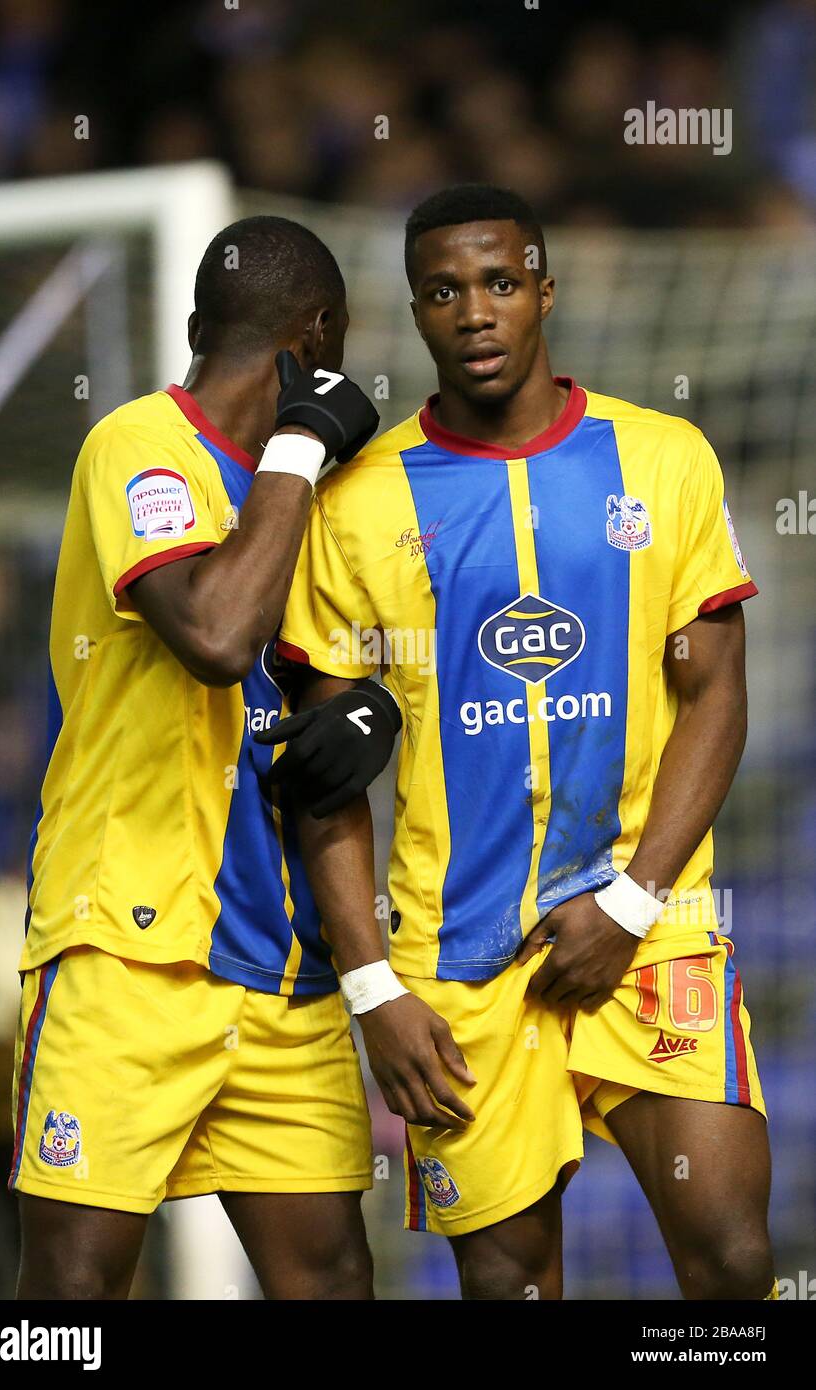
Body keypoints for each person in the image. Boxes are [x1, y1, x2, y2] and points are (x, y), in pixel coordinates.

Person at [263, 184, 777, 1300]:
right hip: (453, 965)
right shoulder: (356, 504)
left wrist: (631, 903)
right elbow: (320, 781)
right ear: (415, 313)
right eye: (443, 292)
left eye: (499, 283)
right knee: (508, 1288)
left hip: (650, 930)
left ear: (543, 289)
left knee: (733, 1261)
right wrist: (368, 988)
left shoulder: (661, 458)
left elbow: (715, 697)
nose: (475, 313)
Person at [11, 215, 388, 1300]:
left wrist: (370, 712)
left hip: (280, 966)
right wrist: (295, 448)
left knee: (330, 1283)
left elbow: (326, 689)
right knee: (68, 1301)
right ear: (318, 337)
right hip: (124, 949)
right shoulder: (137, 441)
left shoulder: (315, 501)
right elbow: (219, 638)